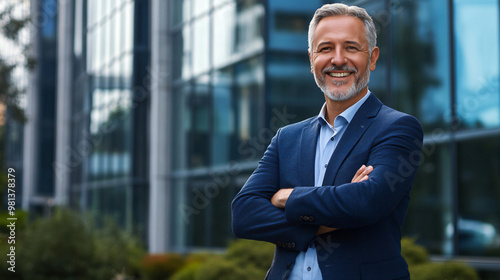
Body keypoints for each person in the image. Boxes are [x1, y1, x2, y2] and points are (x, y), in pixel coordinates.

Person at [231, 3, 423, 280]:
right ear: (311, 60)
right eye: (325, 49)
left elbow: (368, 202)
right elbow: (244, 215)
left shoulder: (397, 128)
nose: (337, 59)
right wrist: (335, 214)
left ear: (372, 57)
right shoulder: (287, 138)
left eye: (351, 47)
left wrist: (287, 197)